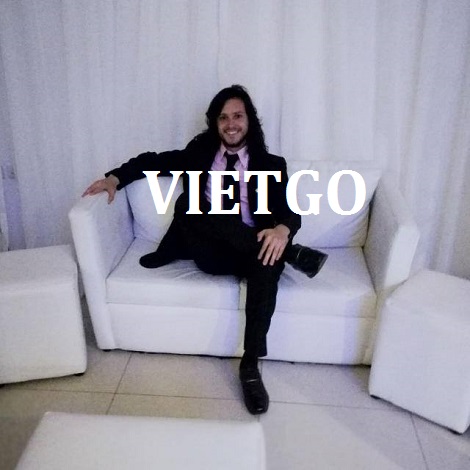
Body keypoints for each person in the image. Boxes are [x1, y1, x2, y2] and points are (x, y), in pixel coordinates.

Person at [83, 85, 327, 414]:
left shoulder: (271, 164)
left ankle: (250, 366)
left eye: (237, 116)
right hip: (210, 251)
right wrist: (114, 178)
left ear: (249, 121)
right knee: (196, 207)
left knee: (267, 259)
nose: (231, 124)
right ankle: (294, 255)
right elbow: (153, 162)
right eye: (223, 117)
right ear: (215, 123)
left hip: (249, 251)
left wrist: (283, 230)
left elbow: (288, 211)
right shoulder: (199, 154)